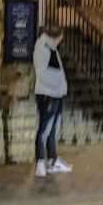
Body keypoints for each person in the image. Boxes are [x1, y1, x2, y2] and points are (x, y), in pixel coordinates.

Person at [32, 25, 72, 178]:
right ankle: (40, 163)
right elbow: (42, 73)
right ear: (55, 36)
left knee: (52, 131)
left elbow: (55, 71)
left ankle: (53, 161)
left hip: (55, 94)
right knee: (44, 130)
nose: (62, 41)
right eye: (61, 37)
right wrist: (58, 85)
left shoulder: (51, 48)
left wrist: (60, 87)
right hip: (48, 95)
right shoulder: (42, 47)